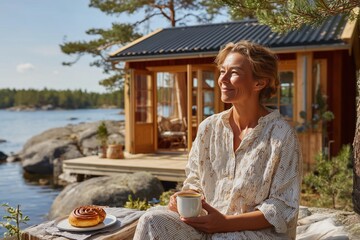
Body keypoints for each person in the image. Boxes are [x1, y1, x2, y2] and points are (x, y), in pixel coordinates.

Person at [133, 40, 302, 240]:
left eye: (234, 73)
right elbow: (195, 180)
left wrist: (225, 224)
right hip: (205, 225)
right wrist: (186, 198)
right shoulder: (209, 128)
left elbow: (282, 206)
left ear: (260, 82)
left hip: (257, 233)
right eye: (222, 71)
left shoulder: (282, 136)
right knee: (152, 219)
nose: (222, 79)